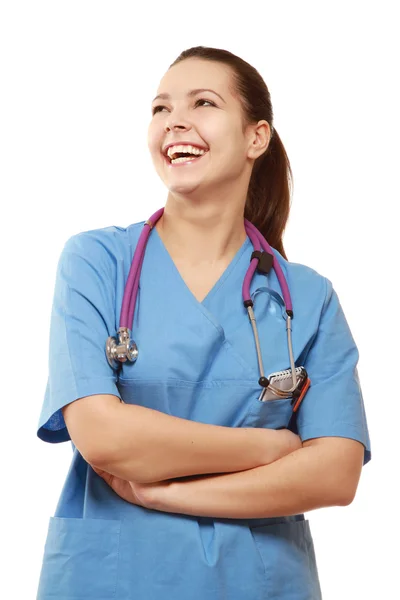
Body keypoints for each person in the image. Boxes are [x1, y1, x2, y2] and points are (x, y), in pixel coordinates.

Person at [35, 46, 371, 600]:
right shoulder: (97, 263)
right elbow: (103, 437)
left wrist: (165, 496)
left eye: (203, 103)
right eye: (160, 108)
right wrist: (268, 449)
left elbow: (335, 474)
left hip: (257, 583)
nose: (175, 122)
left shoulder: (307, 298)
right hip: (110, 580)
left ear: (256, 138)